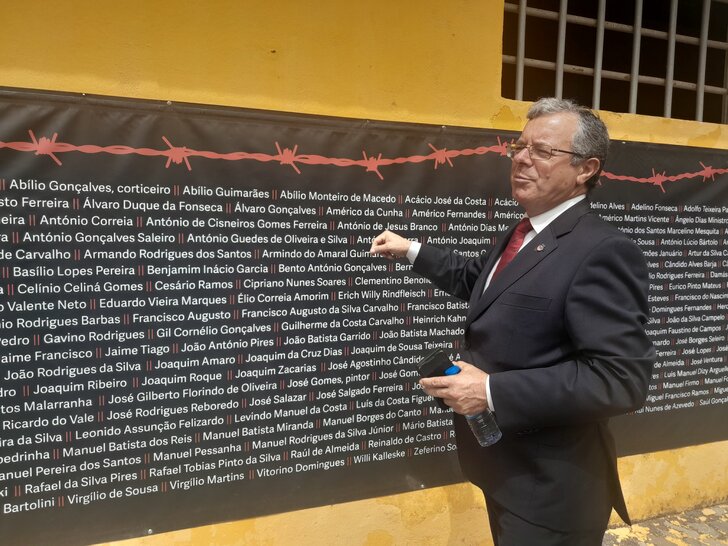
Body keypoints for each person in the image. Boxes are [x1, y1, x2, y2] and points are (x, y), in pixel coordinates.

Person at [369, 97, 655, 546]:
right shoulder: (524, 232)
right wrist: (412, 251)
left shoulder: (602, 251)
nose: (521, 159)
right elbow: (480, 282)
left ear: (586, 169)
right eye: (519, 147)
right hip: (506, 471)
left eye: (542, 151)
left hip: (552, 492)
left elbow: (621, 379)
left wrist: (489, 391)